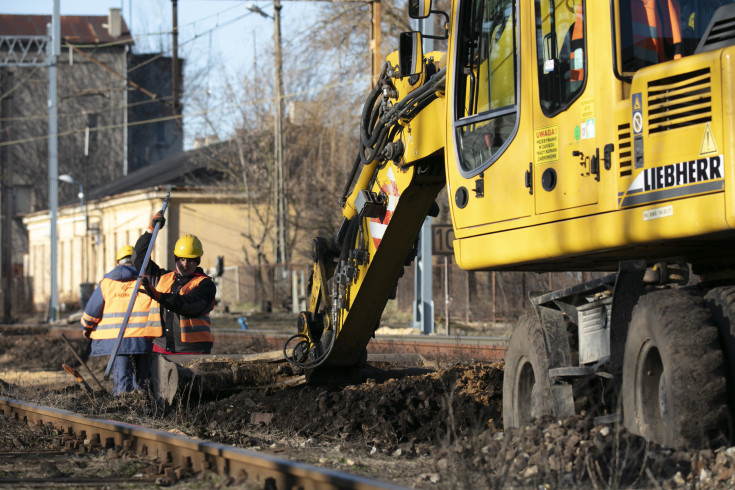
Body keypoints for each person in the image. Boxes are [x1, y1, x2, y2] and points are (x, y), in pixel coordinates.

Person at [133, 212, 216, 354]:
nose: (185, 264)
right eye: (181, 259)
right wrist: (150, 231)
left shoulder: (205, 284)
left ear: (197, 261)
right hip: (160, 348)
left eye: (190, 260)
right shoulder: (162, 277)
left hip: (193, 351)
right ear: (175, 259)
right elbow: (139, 258)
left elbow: (189, 305)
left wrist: (159, 296)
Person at [80, 245, 159, 395]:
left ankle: (123, 410)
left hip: (118, 341)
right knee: (143, 382)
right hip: (144, 338)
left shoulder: (107, 282)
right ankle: (145, 410)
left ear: (118, 262)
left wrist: (86, 327)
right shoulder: (146, 280)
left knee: (123, 381)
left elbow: (91, 312)